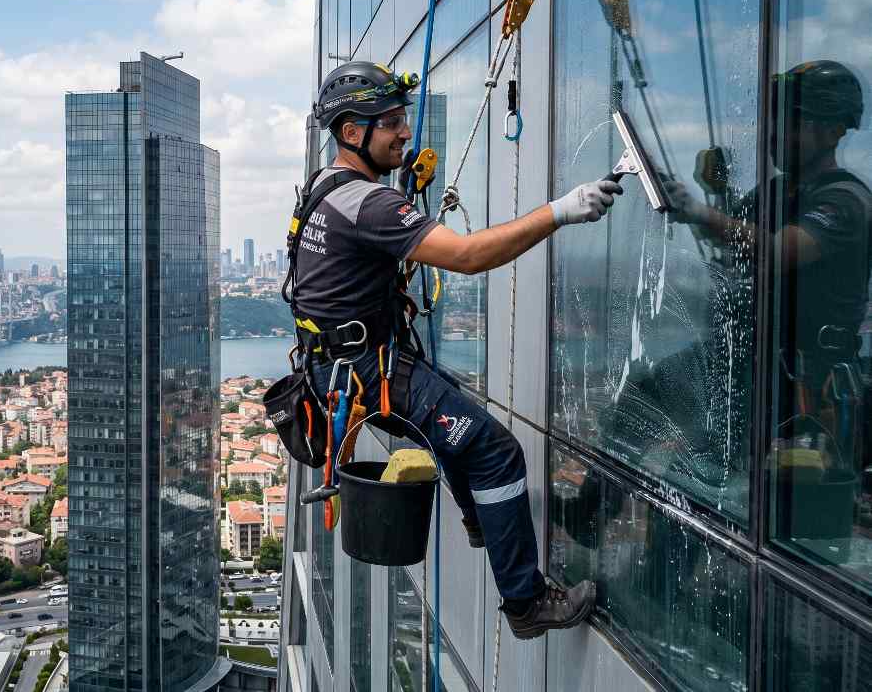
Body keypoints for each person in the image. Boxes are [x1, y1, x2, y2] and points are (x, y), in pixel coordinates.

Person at [291, 61, 623, 639]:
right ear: (351, 134)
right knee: (497, 452)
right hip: (371, 371)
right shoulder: (370, 206)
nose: (404, 132)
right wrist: (560, 212)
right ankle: (526, 602)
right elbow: (467, 255)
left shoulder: (327, 188)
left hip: (344, 366)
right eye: (390, 122)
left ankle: (481, 518)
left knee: (460, 429)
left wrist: (403, 193)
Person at [667, 60, 871, 476]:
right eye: (775, 121)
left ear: (834, 131)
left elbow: (778, 251)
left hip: (804, 383)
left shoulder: (847, 201)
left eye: (794, 122)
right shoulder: (775, 192)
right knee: (647, 394)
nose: (776, 133)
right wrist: (716, 195)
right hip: (755, 364)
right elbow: (734, 248)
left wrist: (700, 212)